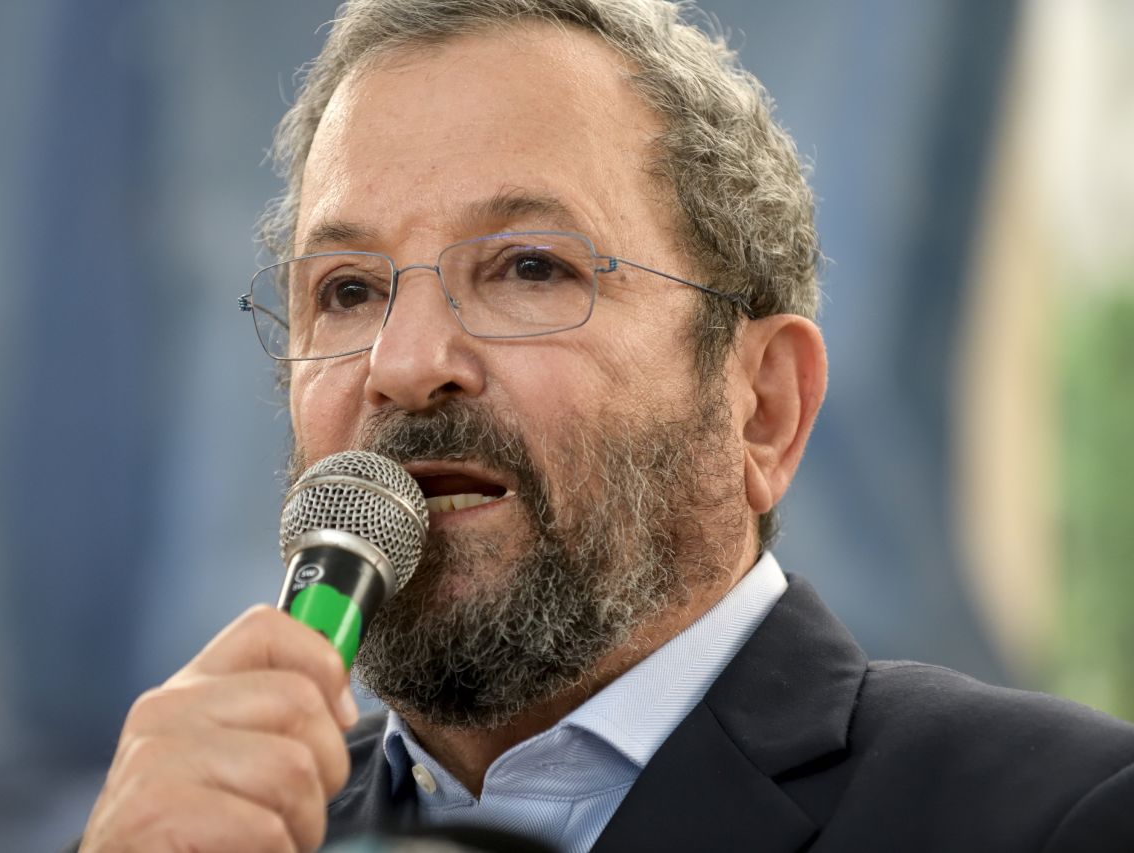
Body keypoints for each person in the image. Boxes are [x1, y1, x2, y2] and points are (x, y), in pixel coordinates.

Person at [74, 1, 1134, 851]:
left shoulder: (1062, 815)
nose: (402, 366)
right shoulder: (222, 833)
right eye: (347, 290)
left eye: (529, 268)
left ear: (761, 404)